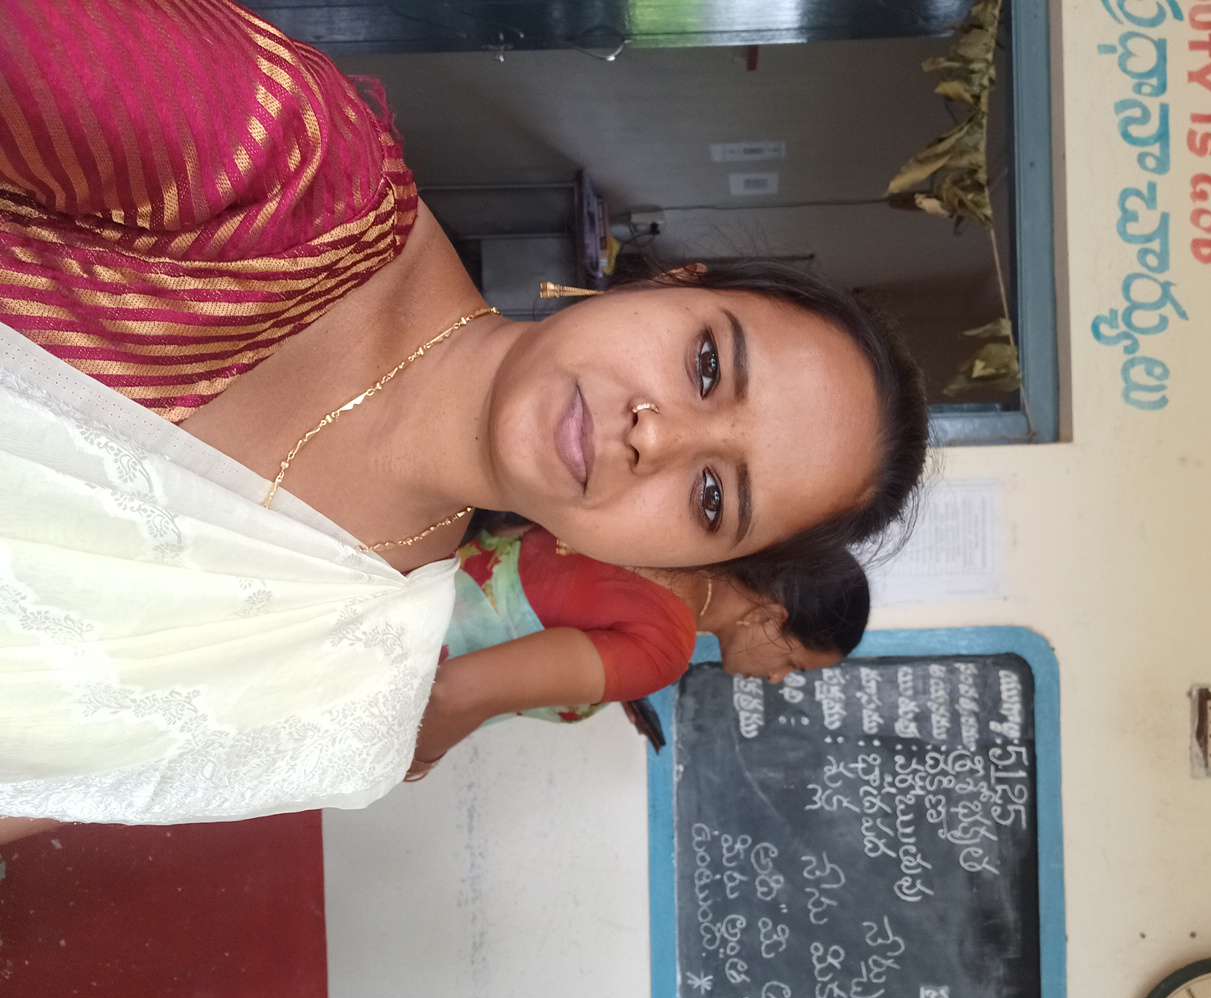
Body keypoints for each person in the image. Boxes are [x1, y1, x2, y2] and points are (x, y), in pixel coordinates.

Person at [0, 1, 928, 826]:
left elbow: (51, 786)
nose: (658, 435)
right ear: (675, 280)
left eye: (714, 498)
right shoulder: (284, 172)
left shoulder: (359, 673)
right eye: (708, 363)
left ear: (682, 559)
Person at [404, 529, 869, 779]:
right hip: (385, 673)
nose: (777, 679)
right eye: (792, 663)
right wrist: (415, 762)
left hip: (389, 577)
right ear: (770, 617)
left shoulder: (656, 531)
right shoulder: (666, 647)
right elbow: (455, 692)